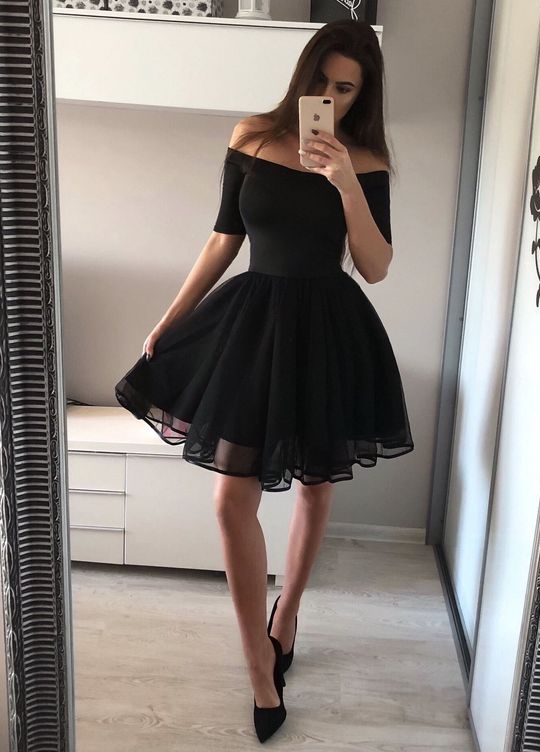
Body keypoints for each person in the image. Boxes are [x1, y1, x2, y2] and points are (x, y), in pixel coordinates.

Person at [115, 18, 414, 743]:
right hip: (253, 326)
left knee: (316, 486)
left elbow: (375, 267)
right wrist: (172, 317)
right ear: (303, 75)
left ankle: (289, 615)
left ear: (364, 94)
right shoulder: (249, 137)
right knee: (230, 502)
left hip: (327, 329)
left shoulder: (366, 161)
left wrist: (345, 183)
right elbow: (224, 237)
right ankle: (259, 665)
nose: (331, 97)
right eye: (322, 81)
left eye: (347, 89)